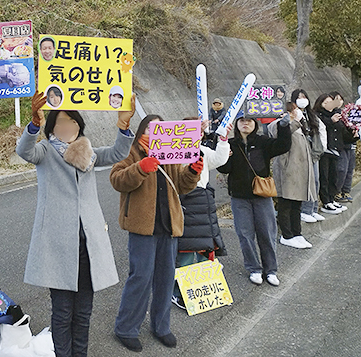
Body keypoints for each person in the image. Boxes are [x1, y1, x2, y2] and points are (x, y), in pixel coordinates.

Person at [16, 91, 135, 357]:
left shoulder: (88, 153)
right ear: (52, 128)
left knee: (83, 313)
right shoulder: (45, 151)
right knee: (61, 312)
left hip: (88, 247)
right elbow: (24, 151)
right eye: (60, 123)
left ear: (79, 125)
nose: (67, 127)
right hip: (57, 247)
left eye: (72, 121)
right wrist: (33, 124)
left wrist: (124, 126)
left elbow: (117, 152)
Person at [110, 114, 203, 352]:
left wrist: (192, 172)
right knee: (140, 276)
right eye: (151, 128)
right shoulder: (131, 151)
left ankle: (161, 326)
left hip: (168, 224)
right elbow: (117, 179)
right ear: (142, 130)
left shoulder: (170, 151)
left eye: (159, 128)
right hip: (143, 226)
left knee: (165, 277)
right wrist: (140, 168)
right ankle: (126, 328)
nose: (155, 132)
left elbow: (182, 185)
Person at [217, 111, 291, 287]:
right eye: (241, 121)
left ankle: (271, 270)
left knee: (267, 233)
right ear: (236, 124)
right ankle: (254, 268)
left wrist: (284, 126)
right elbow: (224, 169)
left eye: (249, 121)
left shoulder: (262, 142)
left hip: (262, 195)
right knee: (245, 234)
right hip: (239, 197)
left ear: (255, 124)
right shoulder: (231, 144)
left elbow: (283, 145)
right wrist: (222, 151)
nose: (245, 123)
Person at [171, 119, 231, 310]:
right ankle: (179, 292)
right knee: (186, 250)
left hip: (203, 202)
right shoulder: (173, 150)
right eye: (191, 129)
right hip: (184, 202)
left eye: (199, 131)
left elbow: (219, 159)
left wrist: (223, 141)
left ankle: (206, 290)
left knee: (206, 247)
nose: (197, 133)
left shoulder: (203, 150)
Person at [267, 102, 316, 248]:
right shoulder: (277, 124)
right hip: (287, 171)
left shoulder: (297, 125)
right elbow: (279, 133)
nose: (297, 112)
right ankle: (286, 235)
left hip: (298, 172)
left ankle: (297, 233)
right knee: (285, 204)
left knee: (296, 204)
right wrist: (292, 120)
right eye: (294, 109)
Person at [293, 89, 326, 223]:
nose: (302, 99)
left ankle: (312, 209)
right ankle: (305, 210)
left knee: (316, 181)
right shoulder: (293, 114)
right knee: (307, 182)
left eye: (304, 96)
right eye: (299, 97)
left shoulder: (311, 114)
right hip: (302, 153)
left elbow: (319, 130)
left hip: (314, 153)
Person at [314, 94, 348, 215]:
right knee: (324, 177)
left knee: (334, 175)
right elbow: (320, 127)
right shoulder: (318, 116)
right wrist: (331, 121)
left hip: (336, 149)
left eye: (331, 102)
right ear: (320, 104)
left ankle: (332, 199)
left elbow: (343, 131)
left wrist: (353, 134)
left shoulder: (338, 115)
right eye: (325, 103)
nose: (329, 105)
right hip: (324, 150)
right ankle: (325, 201)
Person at [329, 92, 358, 204]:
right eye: (336, 99)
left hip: (349, 144)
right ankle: (337, 192)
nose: (339, 102)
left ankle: (346, 191)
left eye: (341, 99)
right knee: (341, 169)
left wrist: (354, 133)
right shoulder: (333, 115)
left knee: (350, 169)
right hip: (340, 146)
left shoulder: (346, 113)